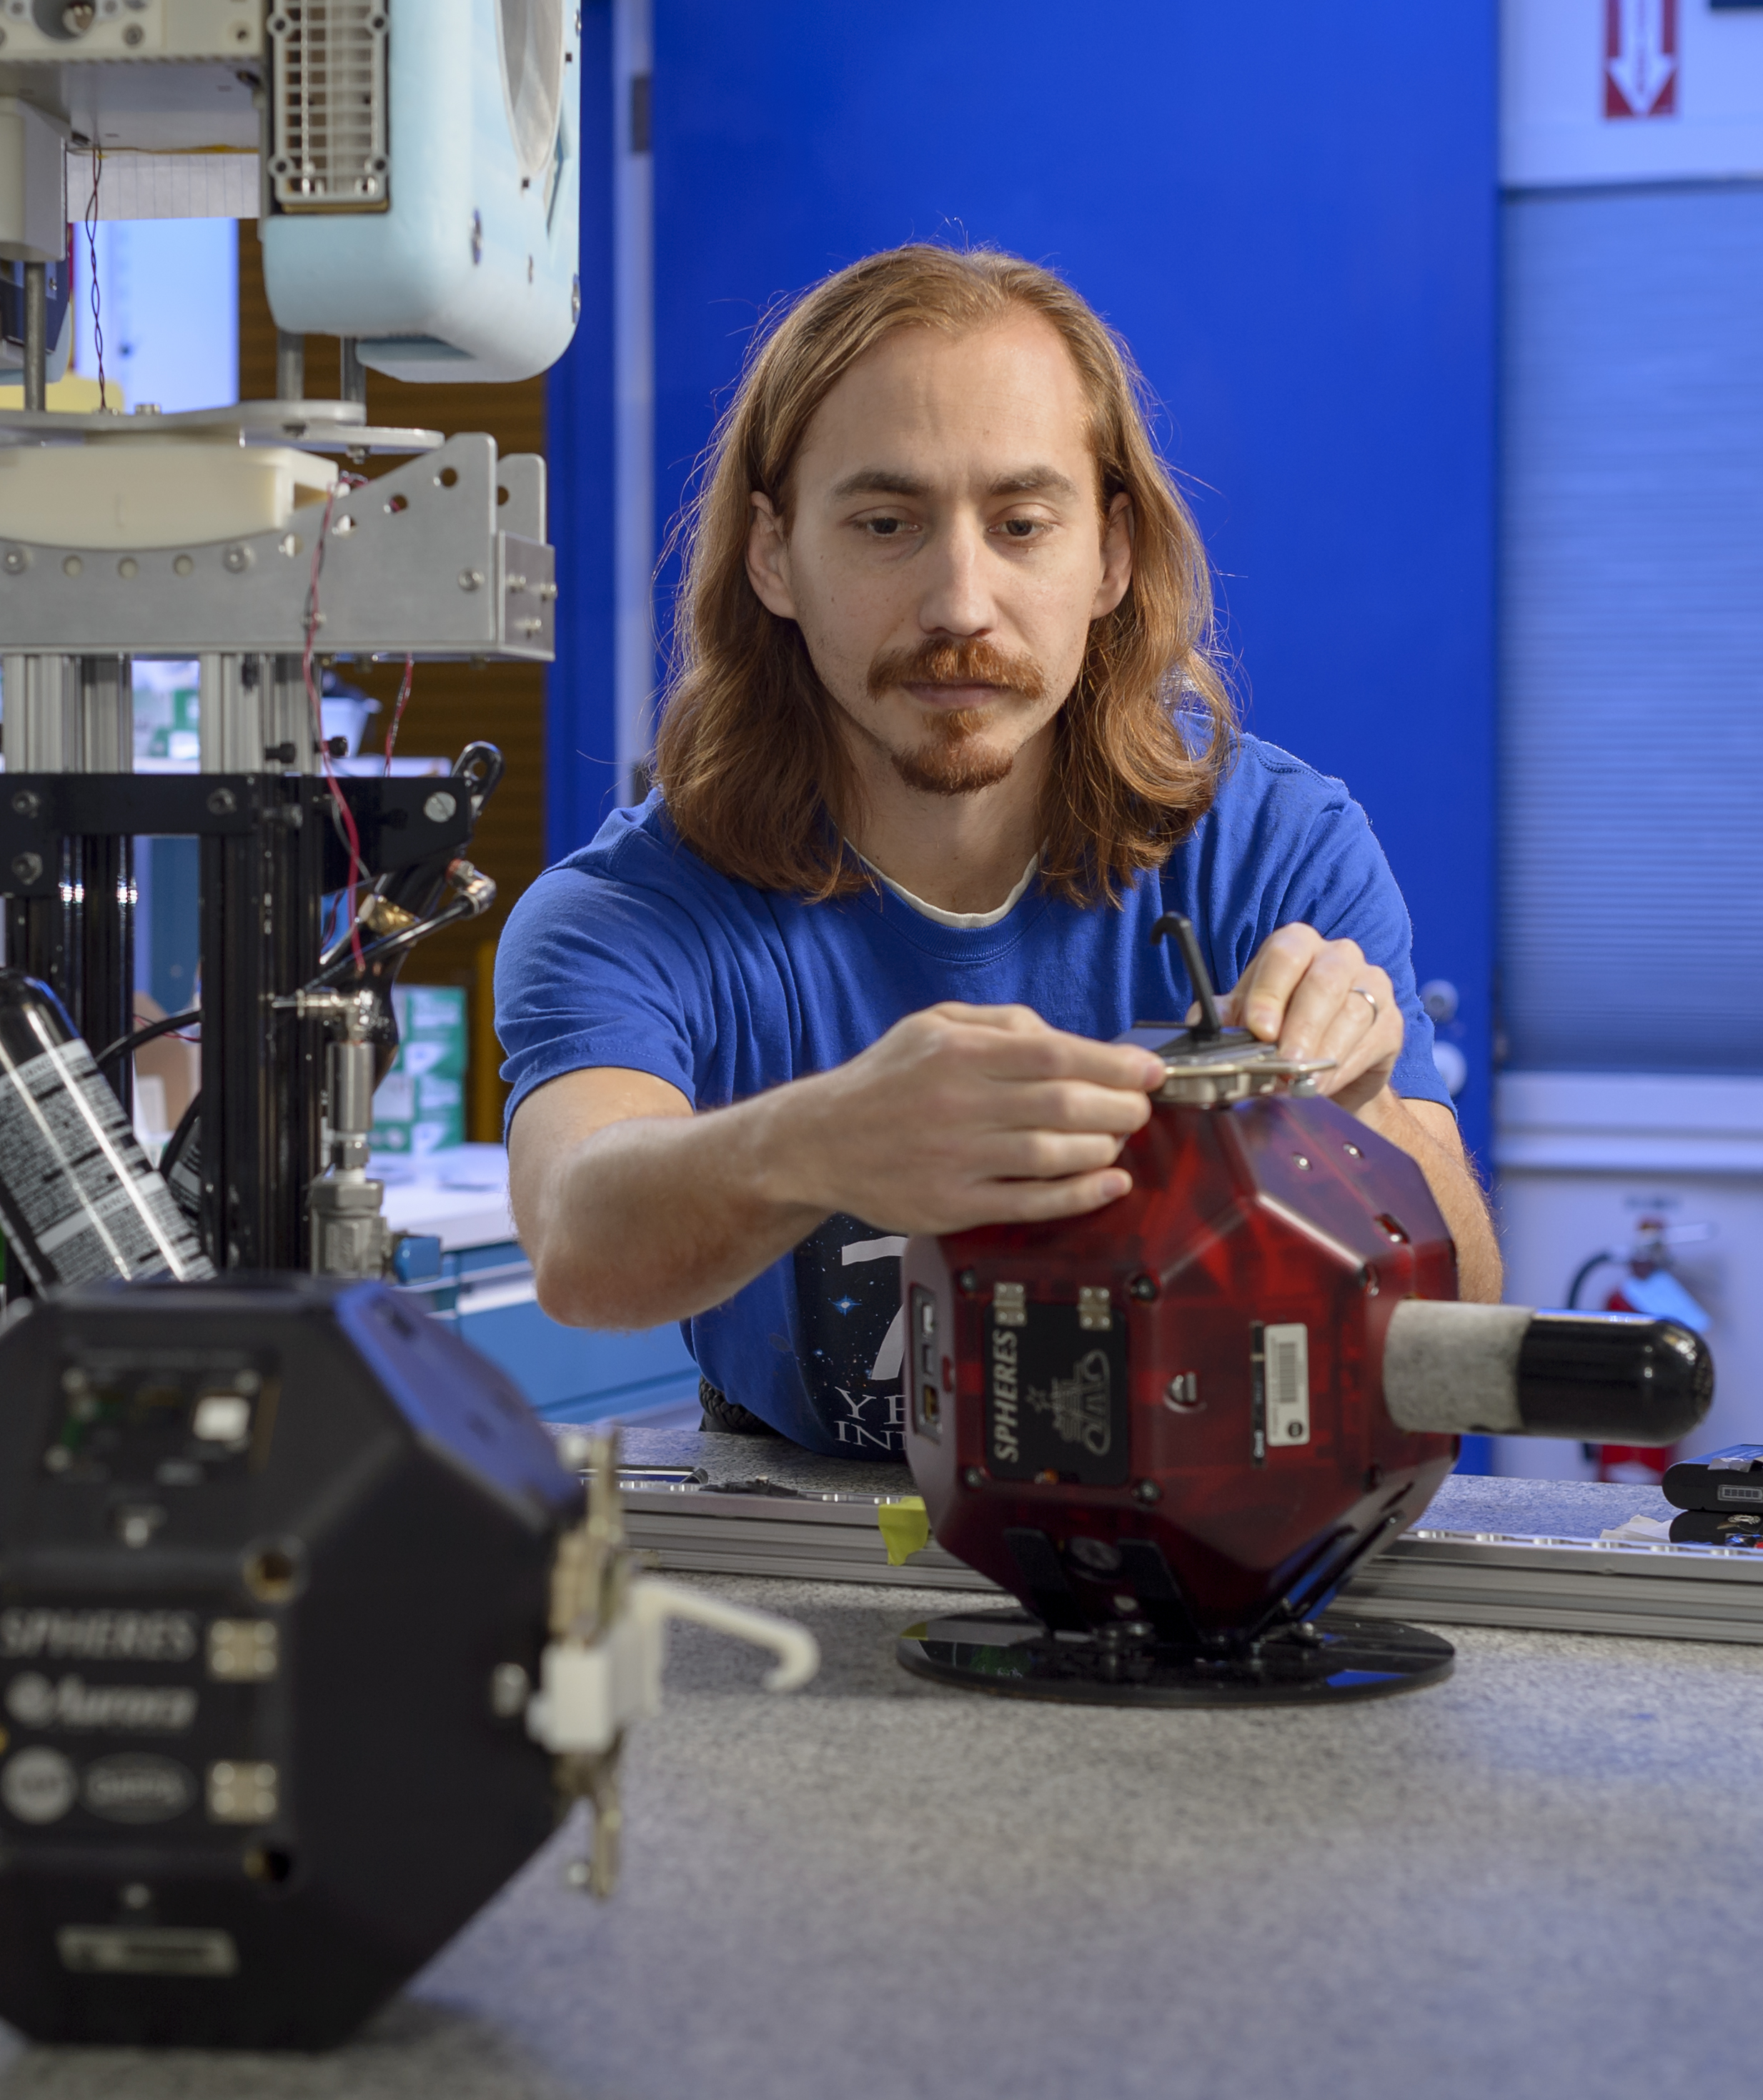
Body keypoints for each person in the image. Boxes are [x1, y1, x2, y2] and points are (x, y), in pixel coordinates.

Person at [496, 244, 1499, 1460]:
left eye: (1022, 524)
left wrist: (1364, 1110)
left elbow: (1462, 1315)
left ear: (1110, 555)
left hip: (1212, 1519)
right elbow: (576, 1241)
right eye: (886, 524)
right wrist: (817, 1142)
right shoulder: (632, 912)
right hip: (803, 1526)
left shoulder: (1277, 850)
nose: (960, 605)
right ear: (774, 554)